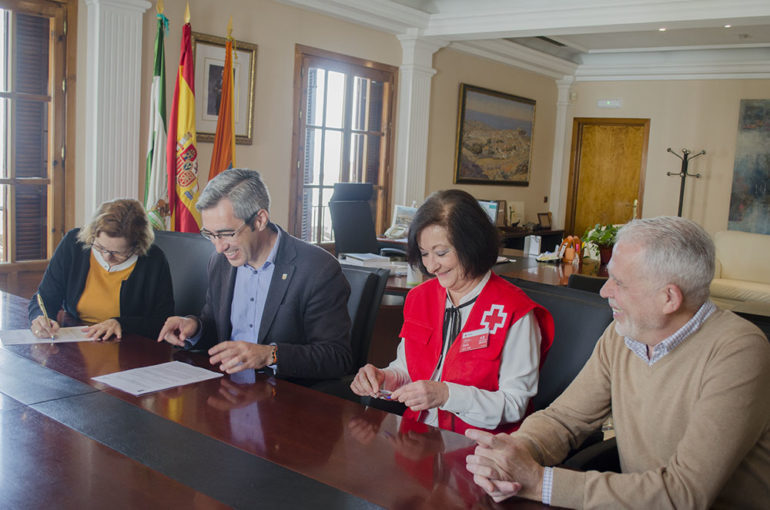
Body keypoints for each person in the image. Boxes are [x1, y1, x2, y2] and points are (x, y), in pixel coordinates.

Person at [465, 216, 770, 509]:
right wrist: (516, 452)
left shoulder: (739, 351)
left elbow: (684, 494)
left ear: (669, 299)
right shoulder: (623, 333)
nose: (603, 291)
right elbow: (565, 419)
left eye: (619, 283)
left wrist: (539, 482)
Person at [350, 190, 554, 434]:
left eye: (441, 253)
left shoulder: (514, 312)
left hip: (480, 447)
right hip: (415, 441)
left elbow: (514, 404)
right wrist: (385, 377)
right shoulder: (419, 298)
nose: (431, 265)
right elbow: (407, 370)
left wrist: (447, 395)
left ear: (473, 244)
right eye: (424, 254)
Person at [157, 168, 352, 381]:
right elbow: (215, 327)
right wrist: (195, 328)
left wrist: (270, 355)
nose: (219, 247)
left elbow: (337, 357)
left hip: (285, 398)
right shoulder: (220, 263)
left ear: (259, 220)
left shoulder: (317, 269)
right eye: (210, 235)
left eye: (226, 234)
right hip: (227, 390)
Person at [29, 198, 174, 340]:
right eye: (100, 247)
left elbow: (162, 321)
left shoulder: (154, 260)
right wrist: (41, 317)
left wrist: (121, 323)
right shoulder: (74, 244)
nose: (106, 257)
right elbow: (44, 297)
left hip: (127, 346)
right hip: (76, 339)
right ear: (92, 234)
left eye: (118, 253)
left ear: (138, 245)